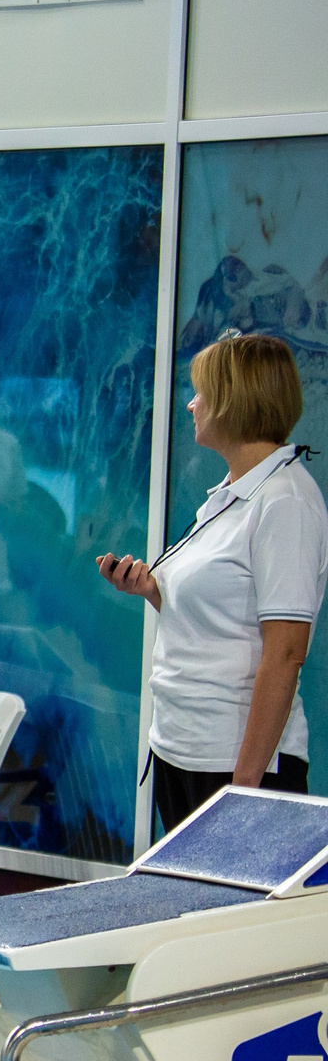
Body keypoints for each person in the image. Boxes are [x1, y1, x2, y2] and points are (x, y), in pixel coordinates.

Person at [98, 332, 326, 830]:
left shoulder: (284, 501)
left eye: (201, 392)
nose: (190, 404)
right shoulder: (227, 496)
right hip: (183, 752)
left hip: (235, 768)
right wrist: (154, 590)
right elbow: (223, 618)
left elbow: (286, 652)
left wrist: (244, 789)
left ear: (234, 402)